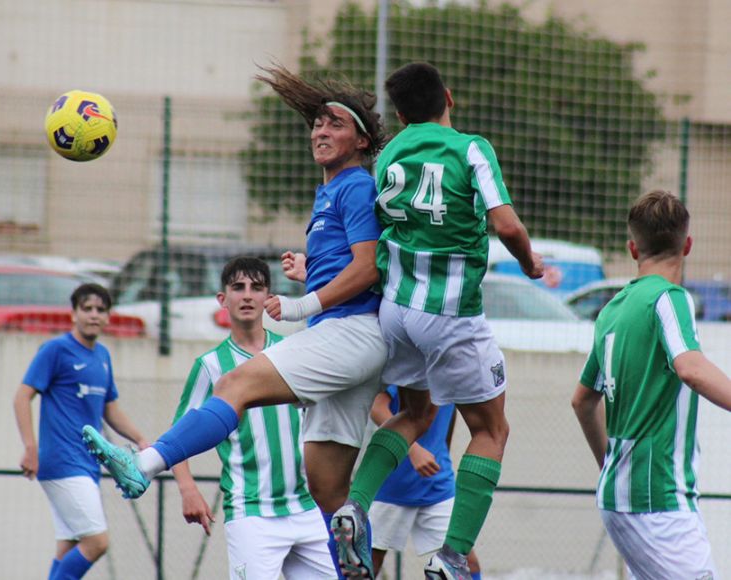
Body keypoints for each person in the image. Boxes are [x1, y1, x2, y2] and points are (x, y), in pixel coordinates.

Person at [81, 62, 388, 576]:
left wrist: (302, 304)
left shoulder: (355, 185)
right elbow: (350, 263)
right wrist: (310, 271)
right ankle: (352, 546)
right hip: (351, 339)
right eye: (317, 123)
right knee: (327, 488)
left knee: (234, 384)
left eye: (336, 124)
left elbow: (367, 265)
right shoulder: (334, 189)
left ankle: (144, 463)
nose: (321, 131)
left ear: (361, 139)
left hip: (348, 333)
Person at [330, 62, 544, 580]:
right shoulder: (470, 148)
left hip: (397, 312)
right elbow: (506, 223)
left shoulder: (388, 155)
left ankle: (354, 505)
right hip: (451, 316)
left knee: (416, 414)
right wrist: (530, 262)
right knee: (491, 429)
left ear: (400, 114)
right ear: (449, 97)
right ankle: (452, 555)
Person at [572, 190, 731, 579]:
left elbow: (582, 401)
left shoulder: (611, 310)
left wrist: (609, 465)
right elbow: (690, 368)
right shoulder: (670, 299)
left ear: (632, 248)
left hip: (619, 496)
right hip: (655, 499)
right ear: (687, 245)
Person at [171, 257, 337, 579]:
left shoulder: (291, 351)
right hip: (251, 512)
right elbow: (180, 432)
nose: (247, 295)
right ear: (223, 299)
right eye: (238, 287)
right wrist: (187, 488)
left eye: (256, 288)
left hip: (305, 506)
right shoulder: (210, 365)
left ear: (268, 298)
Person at [14, 283, 148, 580]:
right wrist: (30, 447)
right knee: (97, 542)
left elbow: (109, 409)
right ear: (73, 314)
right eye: (87, 308)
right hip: (62, 462)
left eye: (101, 310)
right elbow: (22, 396)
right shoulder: (55, 350)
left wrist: (139, 439)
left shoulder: (102, 356)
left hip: (87, 465)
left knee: (70, 545)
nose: (94, 315)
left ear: (108, 317)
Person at [367, 387, 482, 580]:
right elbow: (377, 408)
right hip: (391, 485)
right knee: (367, 566)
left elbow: (448, 420)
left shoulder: (452, 369)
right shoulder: (412, 363)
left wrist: (441, 456)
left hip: (438, 486)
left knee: (466, 564)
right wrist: (412, 449)